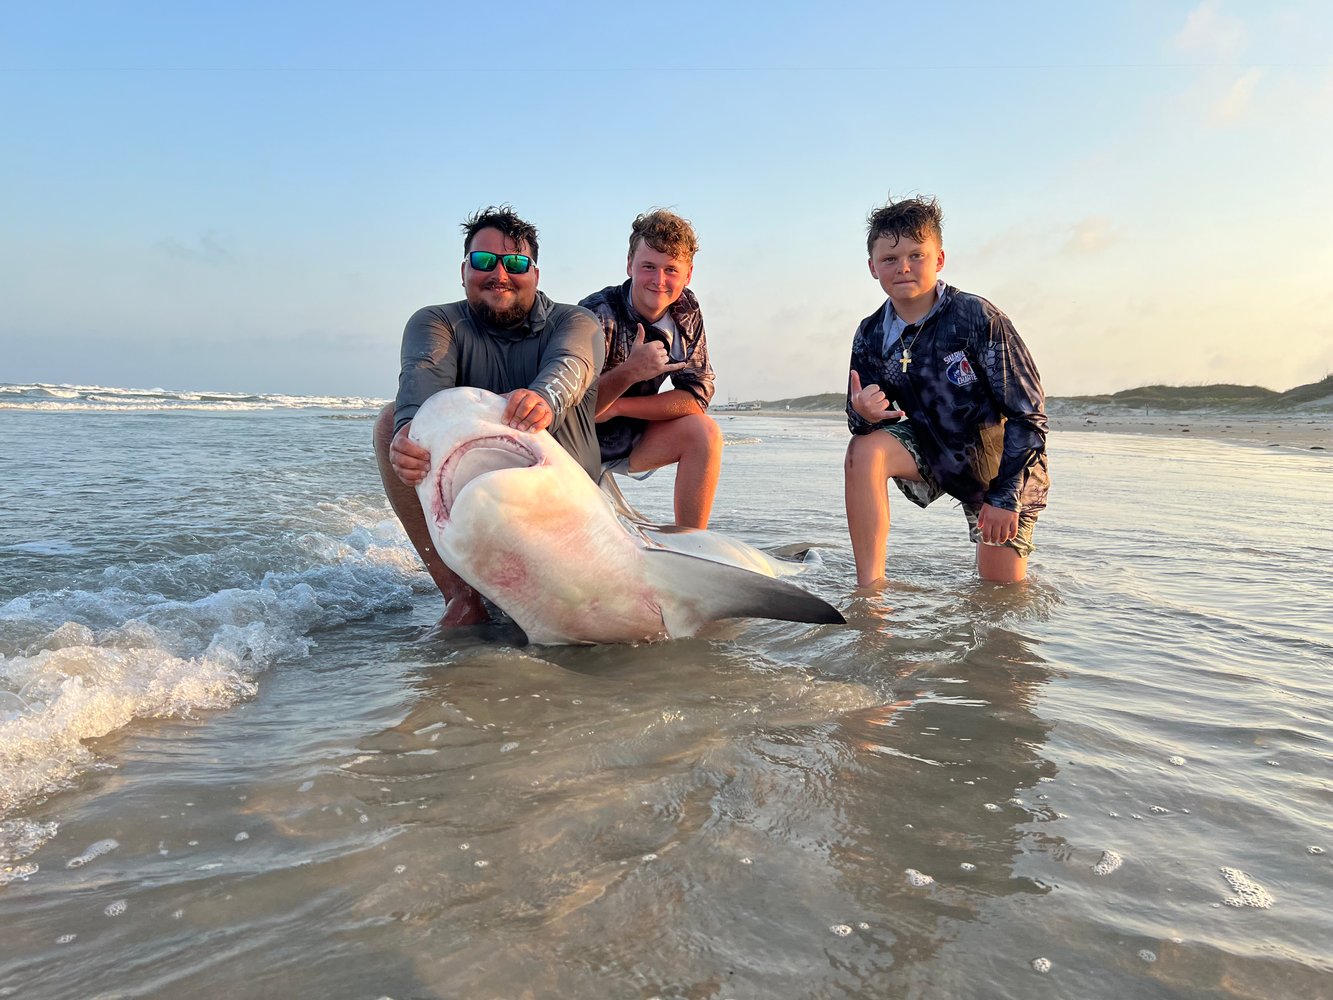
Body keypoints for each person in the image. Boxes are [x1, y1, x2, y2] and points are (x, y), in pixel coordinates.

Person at [373, 205, 604, 626]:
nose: (500, 274)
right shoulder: (437, 321)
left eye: (516, 262)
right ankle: (461, 598)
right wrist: (408, 433)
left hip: (568, 509)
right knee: (391, 423)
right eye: (484, 261)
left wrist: (544, 399)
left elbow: (572, 364)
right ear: (464, 270)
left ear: (535, 273)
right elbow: (420, 379)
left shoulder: (576, 321)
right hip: (478, 505)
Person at [844, 195, 1049, 586]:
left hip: (1000, 465)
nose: (903, 267)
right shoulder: (870, 333)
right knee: (863, 450)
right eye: (889, 259)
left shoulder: (976, 317)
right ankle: (870, 593)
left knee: (1000, 595)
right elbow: (862, 419)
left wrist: (1005, 497)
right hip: (933, 449)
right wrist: (863, 414)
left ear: (938, 259)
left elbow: (1029, 415)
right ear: (873, 267)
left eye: (915, 255)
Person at [579, 209, 722, 528]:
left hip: (631, 436)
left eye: (671, 269)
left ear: (688, 275)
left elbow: (696, 396)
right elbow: (571, 406)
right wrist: (629, 371)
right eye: (648, 267)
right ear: (629, 265)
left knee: (705, 433)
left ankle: (692, 545)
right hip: (575, 444)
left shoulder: (686, 311)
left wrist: (618, 408)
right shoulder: (593, 316)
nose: (659, 281)